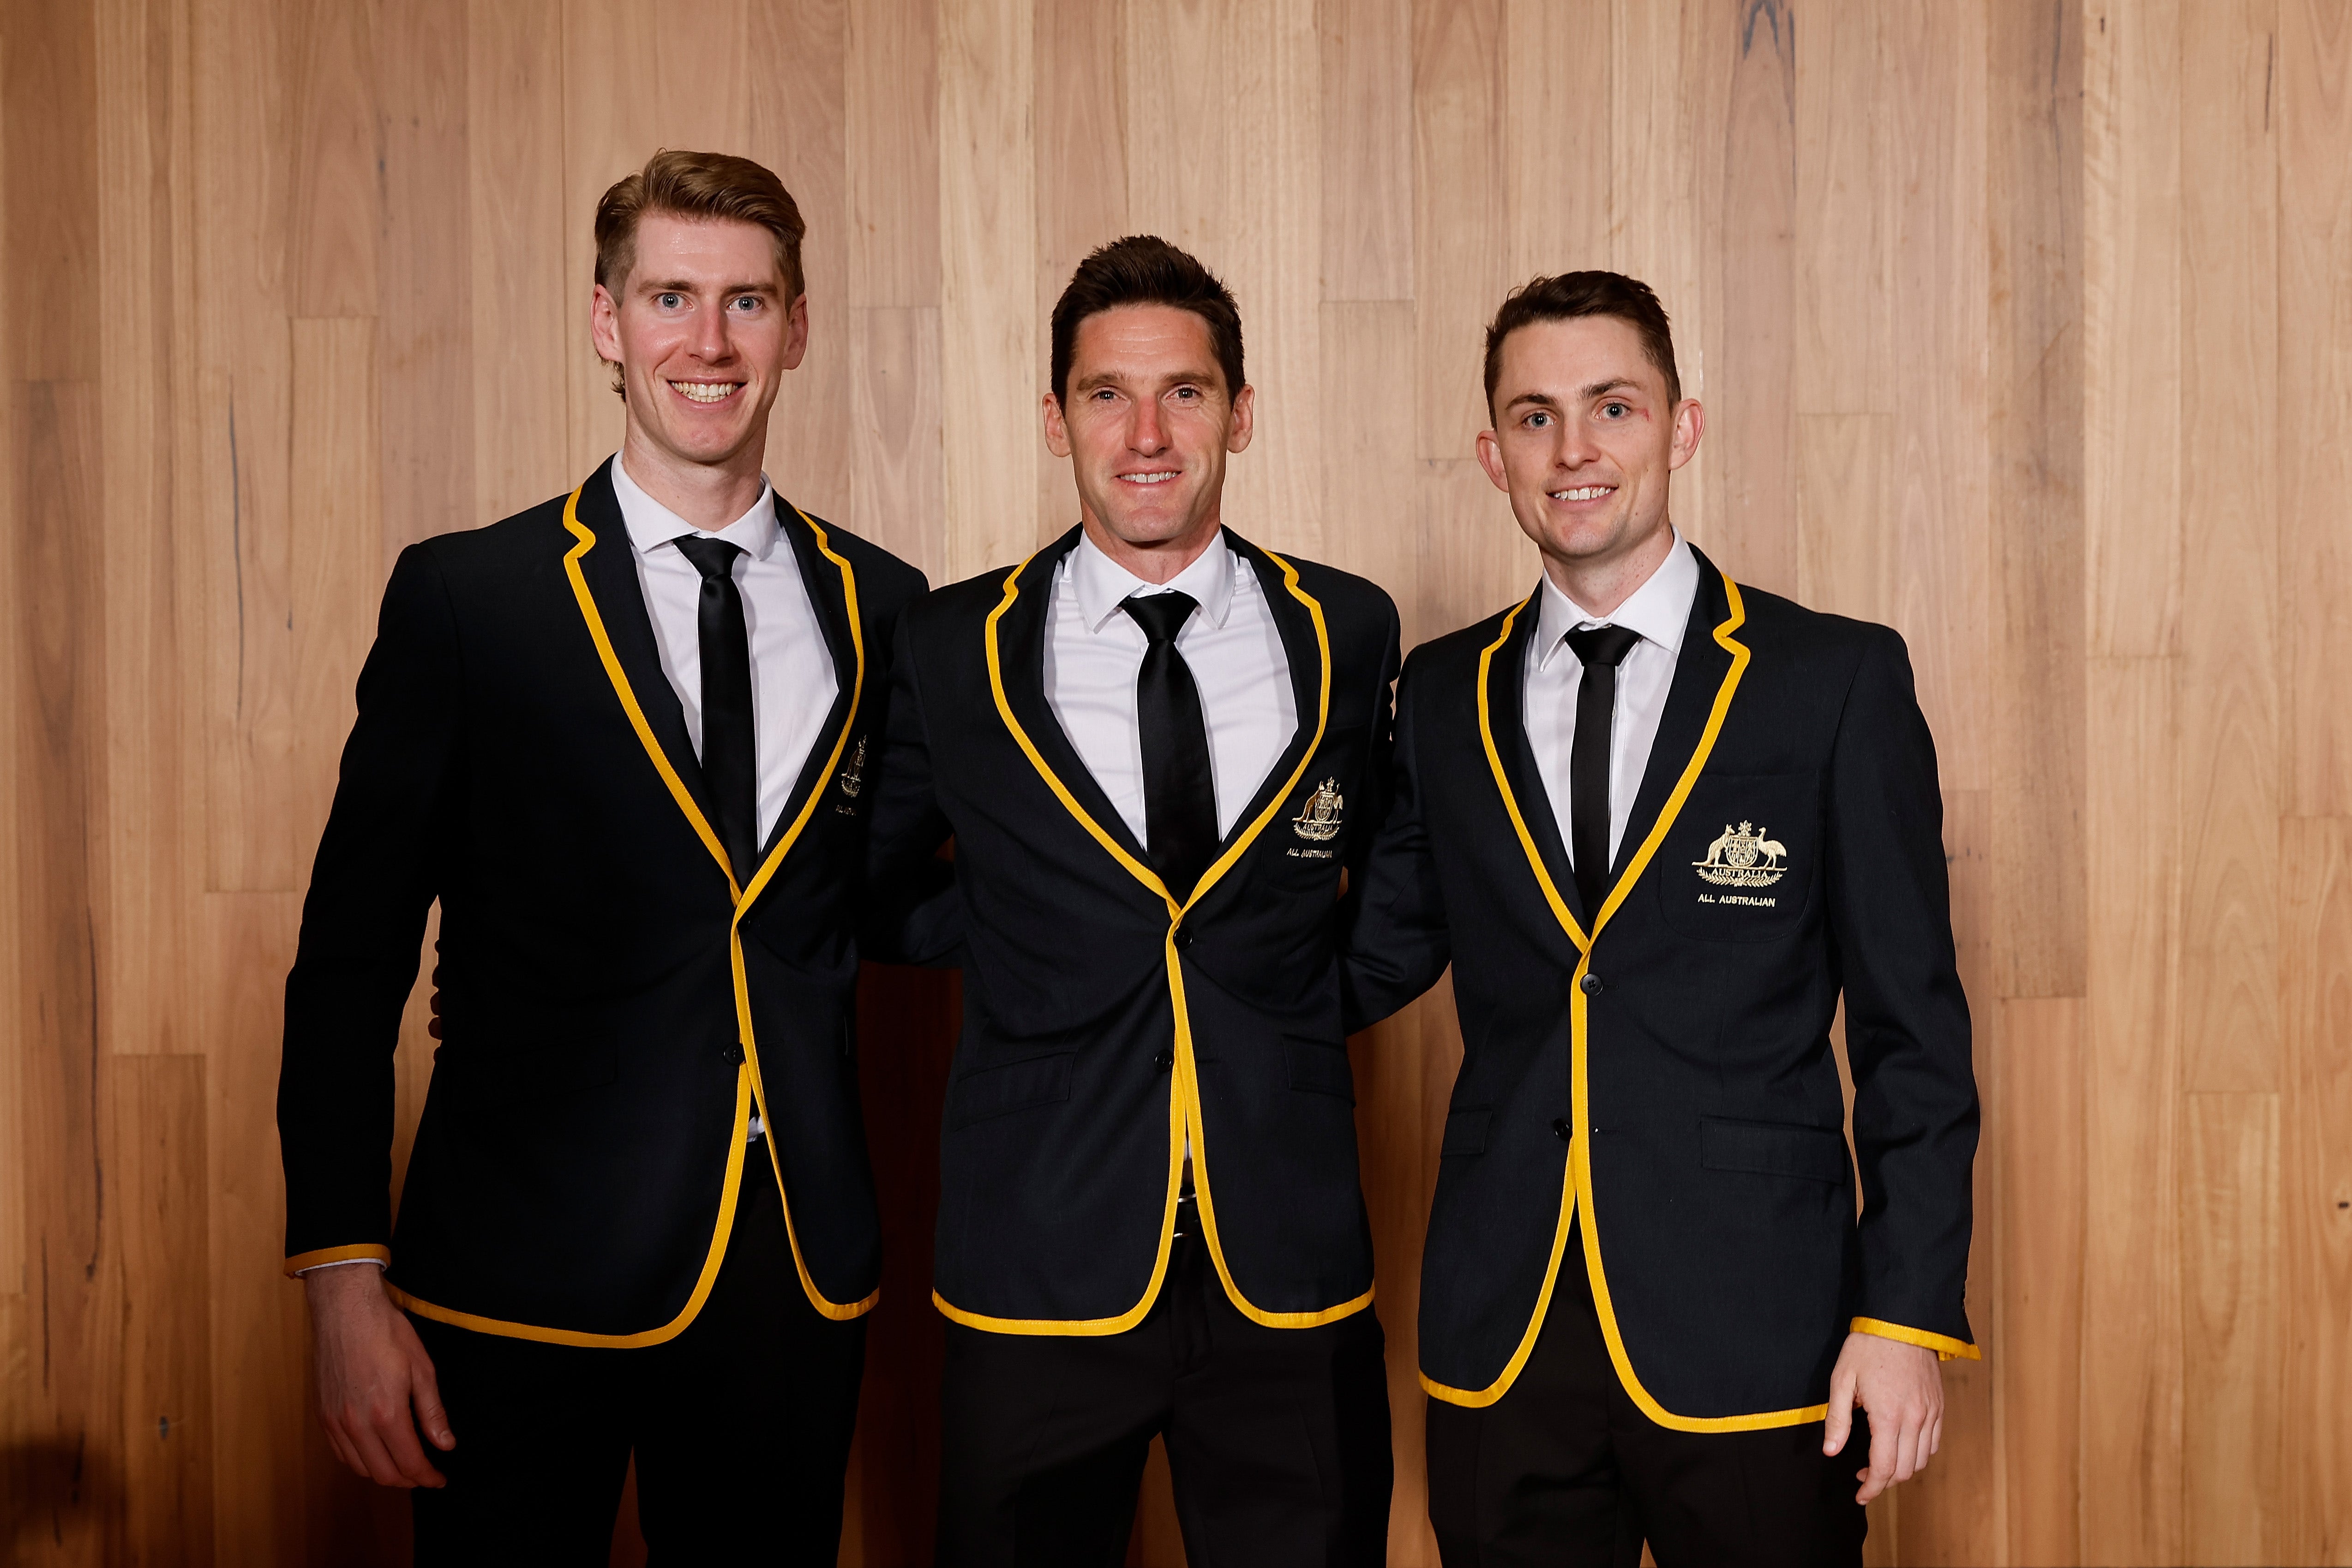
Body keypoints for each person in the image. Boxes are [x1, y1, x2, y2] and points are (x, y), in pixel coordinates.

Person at [276, 148, 927, 1563]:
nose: (708, 342)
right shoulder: (470, 599)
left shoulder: (886, 605)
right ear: (604, 321)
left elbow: (890, 898)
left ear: (798, 330)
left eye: (747, 302)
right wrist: (340, 1275)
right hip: (514, 1286)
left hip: (791, 1276)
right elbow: (350, 956)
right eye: (670, 298)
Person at [1341, 271, 1979, 1567]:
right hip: (1504, 1332)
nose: (1574, 450)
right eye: (1534, 417)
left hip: (1761, 1330)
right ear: (1493, 455)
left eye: (1612, 407)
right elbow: (1372, 957)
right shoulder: (1443, 693)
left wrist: (1906, 1319)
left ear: (1680, 428)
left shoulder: (1833, 681)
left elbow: (1916, 1030)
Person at [863, 236, 1399, 1566]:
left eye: (1187, 392)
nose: (1147, 433)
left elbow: (1408, 869)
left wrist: (1304, 1001)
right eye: (1108, 393)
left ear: (1243, 412)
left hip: (1288, 1270)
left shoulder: (1348, 628)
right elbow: (862, 886)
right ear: (1057, 420)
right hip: (1035, 1264)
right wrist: (1020, 952)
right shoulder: (951, 646)